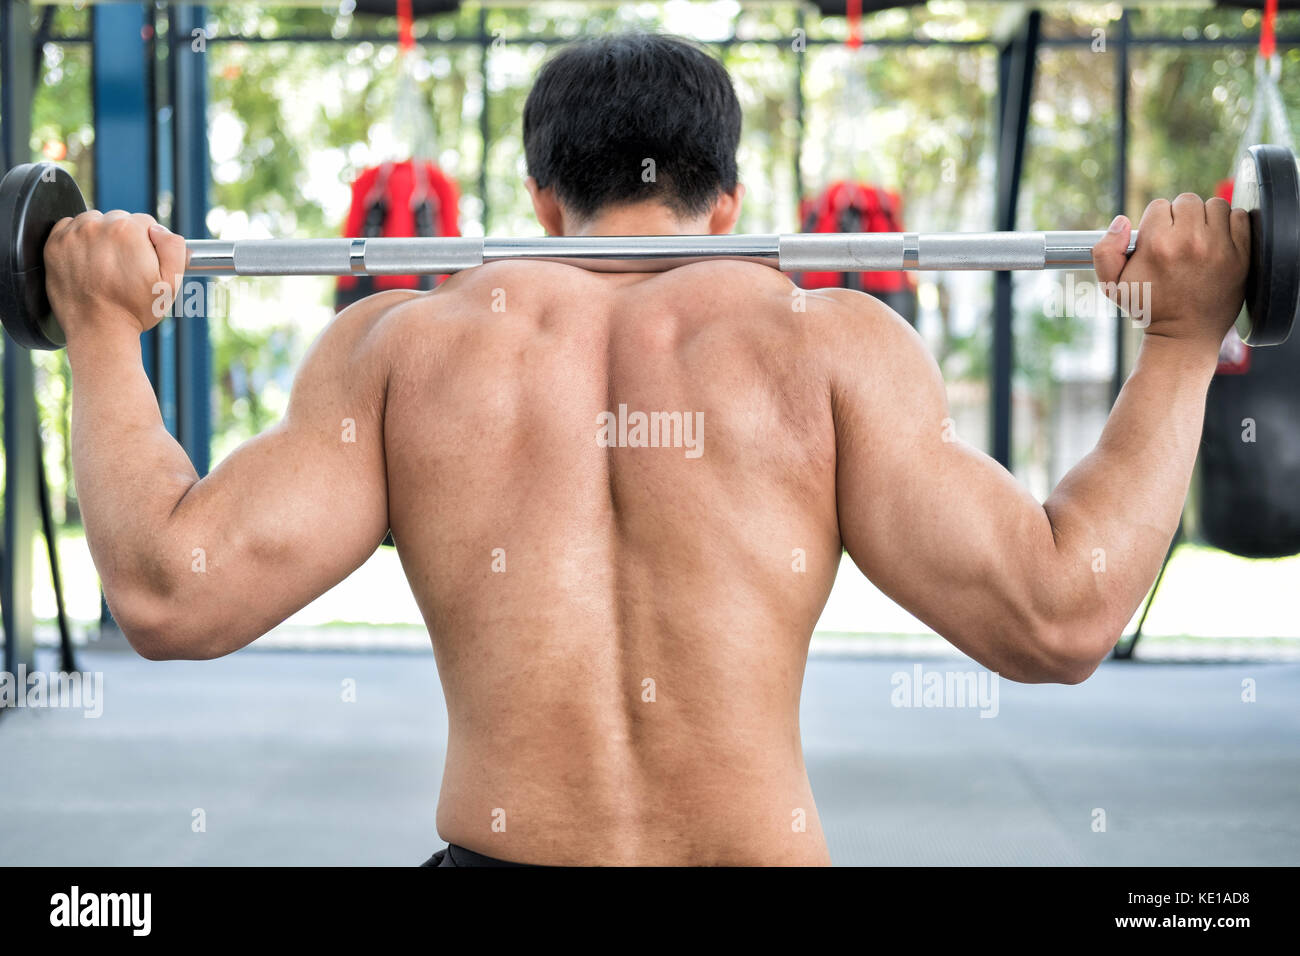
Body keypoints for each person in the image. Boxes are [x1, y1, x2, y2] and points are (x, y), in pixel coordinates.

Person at [44, 33, 1249, 866]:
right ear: (726, 200)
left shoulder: (403, 352)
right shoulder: (830, 347)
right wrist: (1184, 338)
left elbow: (166, 590)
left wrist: (100, 334)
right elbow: (1059, 612)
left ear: (538, 195)